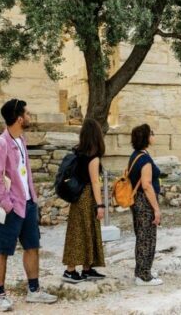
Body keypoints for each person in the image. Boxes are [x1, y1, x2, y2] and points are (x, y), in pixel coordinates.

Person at [0, 98, 57, 311]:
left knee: (32, 246)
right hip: (12, 207)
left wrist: (33, 199)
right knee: (3, 249)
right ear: (19, 118)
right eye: (27, 114)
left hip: (28, 203)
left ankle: (34, 291)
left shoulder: (21, 140)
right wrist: (7, 205)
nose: (29, 116)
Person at [61, 119, 107, 283]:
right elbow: (95, 182)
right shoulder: (93, 157)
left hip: (78, 197)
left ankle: (87, 269)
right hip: (87, 197)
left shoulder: (79, 153)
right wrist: (100, 205)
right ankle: (70, 270)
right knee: (83, 232)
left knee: (81, 231)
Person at [127, 124, 163, 286]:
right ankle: (143, 276)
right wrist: (156, 209)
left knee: (142, 236)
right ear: (146, 137)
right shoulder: (145, 159)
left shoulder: (136, 155)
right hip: (145, 201)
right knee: (147, 237)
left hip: (137, 201)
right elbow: (147, 185)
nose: (154, 135)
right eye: (152, 133)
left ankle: (142, 271)